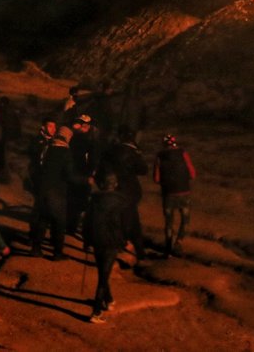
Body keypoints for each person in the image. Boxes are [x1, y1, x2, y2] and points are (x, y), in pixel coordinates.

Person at [29, 127, 84, 261]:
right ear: (68, 137)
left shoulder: (47, 148)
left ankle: (36, 249)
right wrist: (84, 180)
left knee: (42, 220)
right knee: (59, 223)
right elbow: (70, 175)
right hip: (57, 192)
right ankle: (57, 253)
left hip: (42, 190)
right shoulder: (65, 152)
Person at [99, 129, 149, 261]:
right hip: (130, 190)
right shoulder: (133, 152)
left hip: (114, 189)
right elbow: (143, 170)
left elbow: (102, 169)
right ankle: (139, 253)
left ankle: (120, 245)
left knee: (115, 219)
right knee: (133, 220)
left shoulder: (110, 151)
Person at [83, 173, 127, 324]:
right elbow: (121, 224)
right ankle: (96, 311)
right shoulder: (120, 202)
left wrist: (86, 240)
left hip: (96, 240)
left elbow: (87, 221)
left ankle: (108, 300)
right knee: (103, 277)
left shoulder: (94, 200)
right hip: (110, 242)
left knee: (103, 271)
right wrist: (123, 241)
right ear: (115, 185)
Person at [153, 134, 196, 257]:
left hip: (168, 193)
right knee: (185, 218)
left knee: (169, 221)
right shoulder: (183, 153)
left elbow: (156, 179)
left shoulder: (159, 156)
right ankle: (179, 241)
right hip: (184, 192)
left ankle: (168, 248)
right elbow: (192, 174)